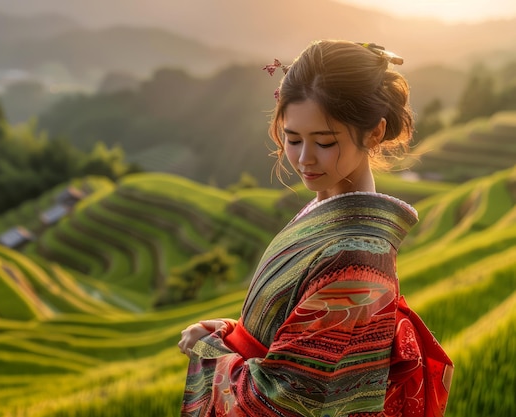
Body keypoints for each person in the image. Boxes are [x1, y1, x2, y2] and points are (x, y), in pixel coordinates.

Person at [177, 40, 453, 417]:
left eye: (324, 142)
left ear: (374, 133)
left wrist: (211, 350)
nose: (305, 159)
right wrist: (229, 332)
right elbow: (284, 334)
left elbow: (284, 402)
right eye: (293, 139)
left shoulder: (355, 262)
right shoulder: (323, 209)